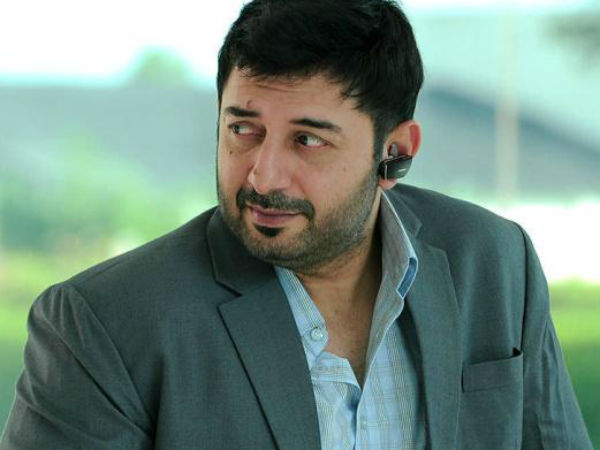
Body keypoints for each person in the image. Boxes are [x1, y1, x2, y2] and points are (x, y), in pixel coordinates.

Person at [0, 0, 593, 449]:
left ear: (394, 152)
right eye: (243, 129)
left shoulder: (495, 261)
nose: (263, 175)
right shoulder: (104, 324)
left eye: (307, 139)